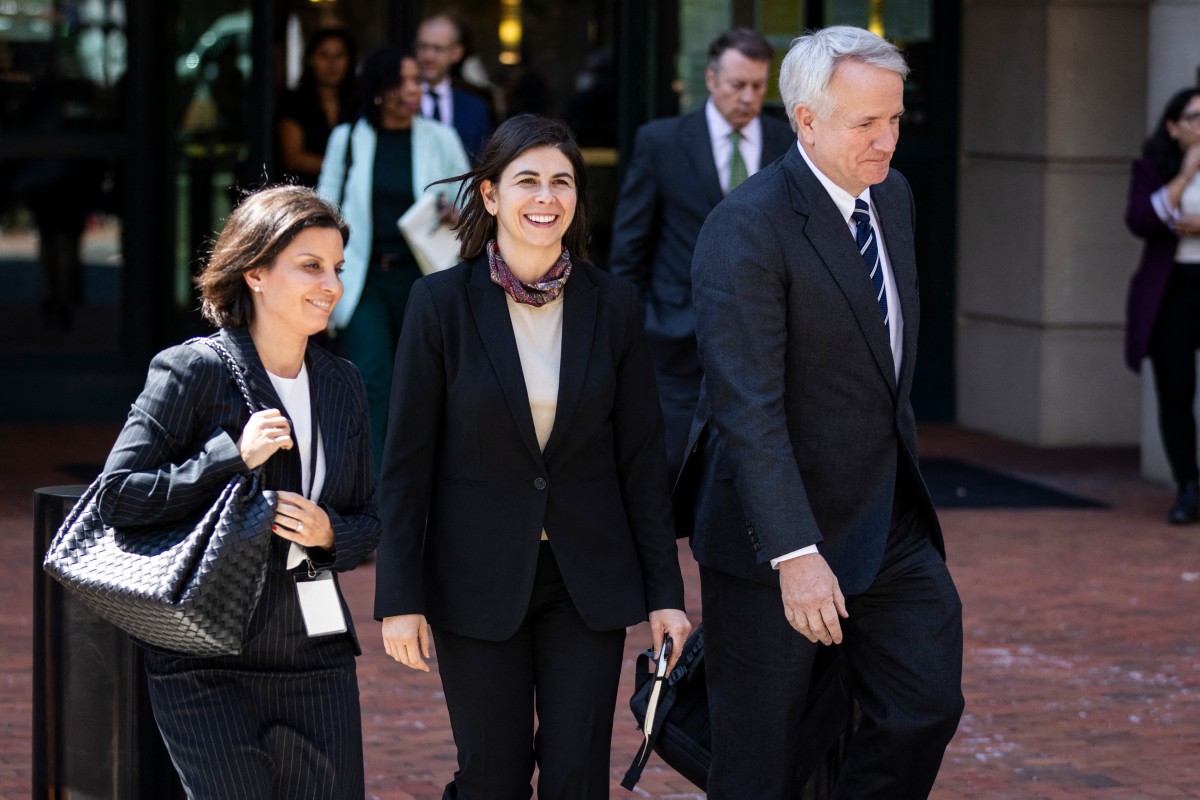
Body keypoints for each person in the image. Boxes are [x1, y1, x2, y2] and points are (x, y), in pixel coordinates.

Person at [681, 27, 964, 798]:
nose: (887, 141)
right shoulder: (747, 226)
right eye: (864, 124)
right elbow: (750, 411)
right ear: (805, 120)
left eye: (896, 120)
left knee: (924, 707)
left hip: (889, 520)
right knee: (760, 762)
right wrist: (794, 553)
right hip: (775, 540)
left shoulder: (893, 197)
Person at [374, 114, 691, 799]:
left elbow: (641, 458)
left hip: (587, 580)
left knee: (578, 776)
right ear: (490, 196)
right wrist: (400, 597)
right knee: (493, 775)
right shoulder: (440, 305)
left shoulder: (614, 305)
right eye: (526, 181)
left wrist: (666, 594)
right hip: (475, 578)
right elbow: (406, 463)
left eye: (561, 182)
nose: (545, 197)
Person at [94, 185, 380, 799]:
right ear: (254, 272)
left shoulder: (343, 384)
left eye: (336, 268)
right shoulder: (193, 369)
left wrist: (331, 533)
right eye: (310, 266)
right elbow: (116, 495)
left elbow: (368, 521)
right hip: (206, 651)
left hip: (316, 646)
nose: (330, 284)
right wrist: (227, 457)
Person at [609, 28, 794, 476]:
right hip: (674, 333)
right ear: (711, 80)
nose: (748, 97)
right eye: (737, 85)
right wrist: (639, 322)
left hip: (761, 333)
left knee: (751, 467)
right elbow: (631, 243)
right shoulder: (661, 141)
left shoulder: (787, 144)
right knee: (667, 465)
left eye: (757, 86)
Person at [317, 45, 469, 477]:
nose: (414, 89)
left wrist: (456, 213)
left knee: (425, 385)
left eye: (417, 81)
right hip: (365, 278)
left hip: (425, 277)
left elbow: (472, 203)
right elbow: (324, 209)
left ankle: (421, 486)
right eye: (403, 81)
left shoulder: (440, 138)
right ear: (380, 90)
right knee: (372, 380)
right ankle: (374, 492)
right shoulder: (347, 138)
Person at [1124, 87, 1200, 525]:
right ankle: (1188, 486)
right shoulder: (1153, 168)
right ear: (1172, 127)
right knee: (1176, 391)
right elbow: (1142, 220)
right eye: (1193, 117)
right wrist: (1187, 174)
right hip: (1171, 292)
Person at [276, 27, 358, 187]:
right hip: (302, 193)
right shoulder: (295, 102)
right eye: (324, 55)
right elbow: (293, 158)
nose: (332, 63)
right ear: (310, 59)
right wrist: (348, 168)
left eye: (339, 55)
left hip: (350, 193)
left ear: (349, 61)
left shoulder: (358, 102)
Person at [416, 13, 492, 163]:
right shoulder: (398, 101)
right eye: (423, 47)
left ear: (456, 53)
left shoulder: (476, 108)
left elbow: (482, 165)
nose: (428, 56)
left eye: (438, 49)